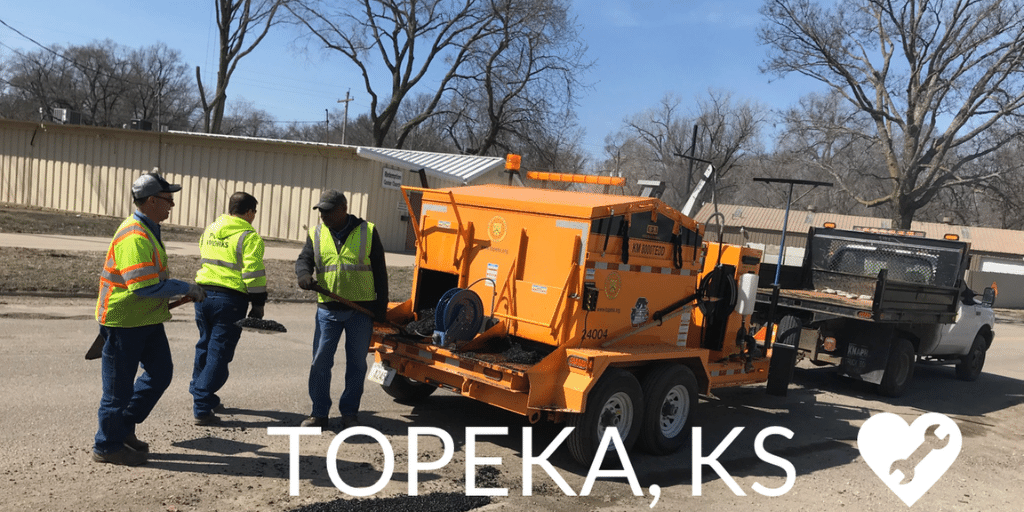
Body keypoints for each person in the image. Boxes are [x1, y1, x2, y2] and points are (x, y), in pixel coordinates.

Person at [92, 171, 207, 466]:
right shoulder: (135, 235)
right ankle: (106, 446)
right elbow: (142, 286)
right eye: (169, 199)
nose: (172, 205)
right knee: (118, 391)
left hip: (146, 319)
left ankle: (122, 427)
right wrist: (187, 288)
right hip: (124, 322)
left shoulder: (149, 228)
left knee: (160, 374)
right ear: (152, 201)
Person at [295, 189, 389, 430]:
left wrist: (381, 307)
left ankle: (349, 413)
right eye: (321, 211)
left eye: (328, 211)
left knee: (356, 363)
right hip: (328, 310)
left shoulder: (367, 231)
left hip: (360, 310)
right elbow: (304, 259)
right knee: (320, 362)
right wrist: (304, 274)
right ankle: (319, 414)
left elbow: (380, 271)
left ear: (343, 209)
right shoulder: (317, 233)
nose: (323, 216)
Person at [189, 192, 267, 425]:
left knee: (204, 345)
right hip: (230, 300)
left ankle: (204, 394)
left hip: (202, 295)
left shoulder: (212, 228)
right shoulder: (249, 236)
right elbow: (253, 273)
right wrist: (258, 305)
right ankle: (202, 403)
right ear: (250, 212)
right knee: (219, 352)